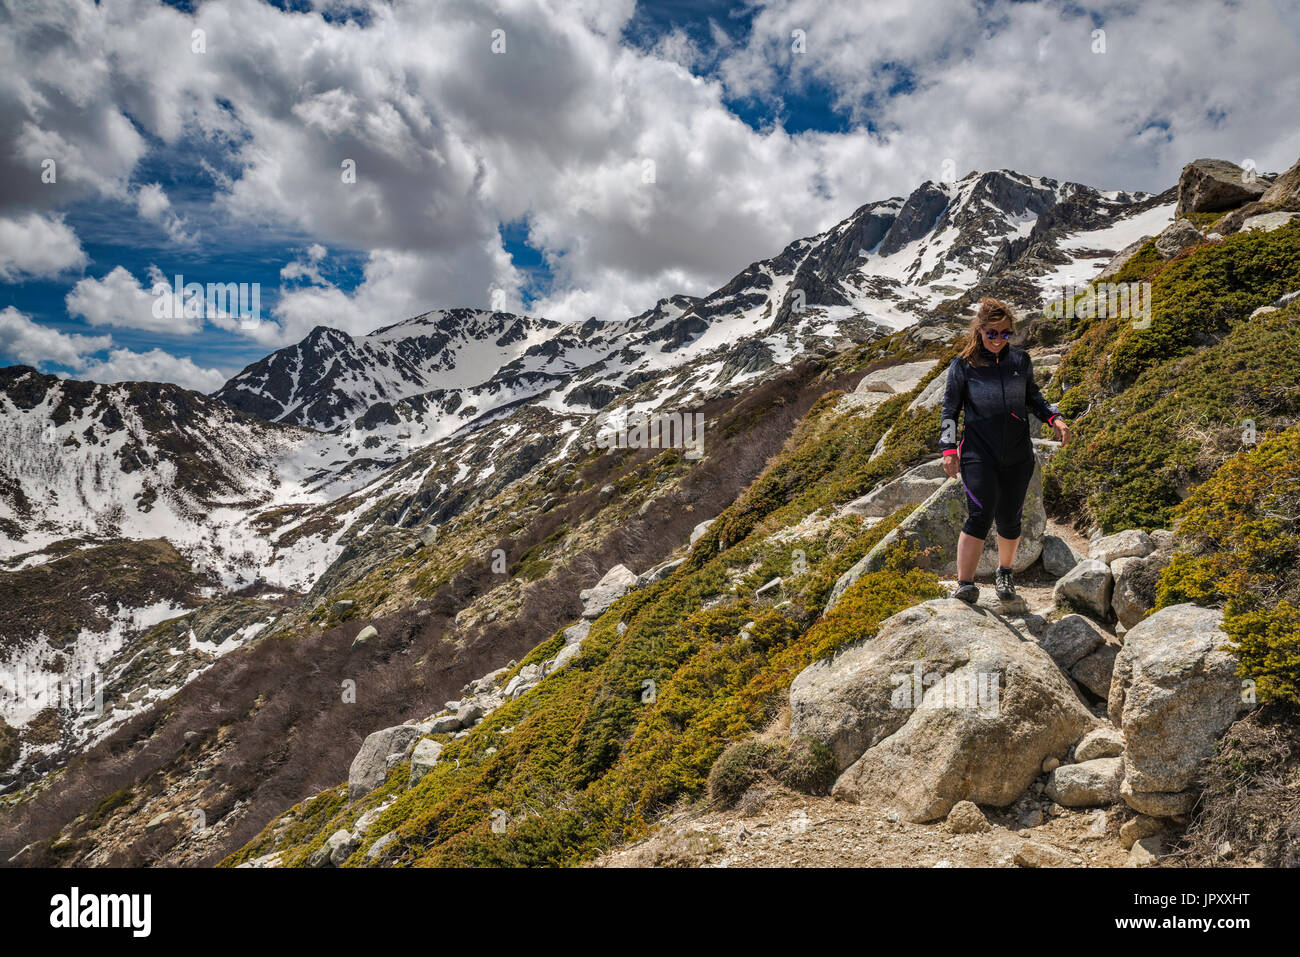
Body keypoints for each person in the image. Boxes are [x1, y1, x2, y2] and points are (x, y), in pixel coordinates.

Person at [939, 297, 1069, 604]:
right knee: (980, 514)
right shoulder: (963, 365)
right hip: (977, 453)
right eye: (992, 333)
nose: (999, 340)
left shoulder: (1019, 361)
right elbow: (949, 410)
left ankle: (1005, 573)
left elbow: (1033, 397)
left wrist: (1054, 418)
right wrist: (948, 448)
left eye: (1005, 333)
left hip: (1017, 455)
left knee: (1010, 517)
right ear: (979, 331)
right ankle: (965, 584)